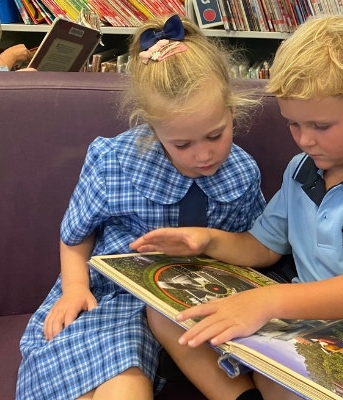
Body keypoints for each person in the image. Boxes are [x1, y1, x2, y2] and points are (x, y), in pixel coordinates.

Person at [130, 14, 343, 400]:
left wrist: (266, 301)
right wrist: (204, 241)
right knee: (165, 314)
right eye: (293, 124)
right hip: (294, 322)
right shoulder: (301, 169)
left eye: (320, 126)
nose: (304, 140)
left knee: (290, 382)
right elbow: (262, 246)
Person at [16, 14, 266, 400]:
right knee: (112, 384)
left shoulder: (242, 172)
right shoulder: (116, 162)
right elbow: (74, 236)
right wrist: (75, 289)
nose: (203, 155)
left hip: (193, 301)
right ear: (151, 127)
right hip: (113, 298)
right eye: (181, 144)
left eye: (215, 134)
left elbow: (254, 247)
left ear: (233, 109)